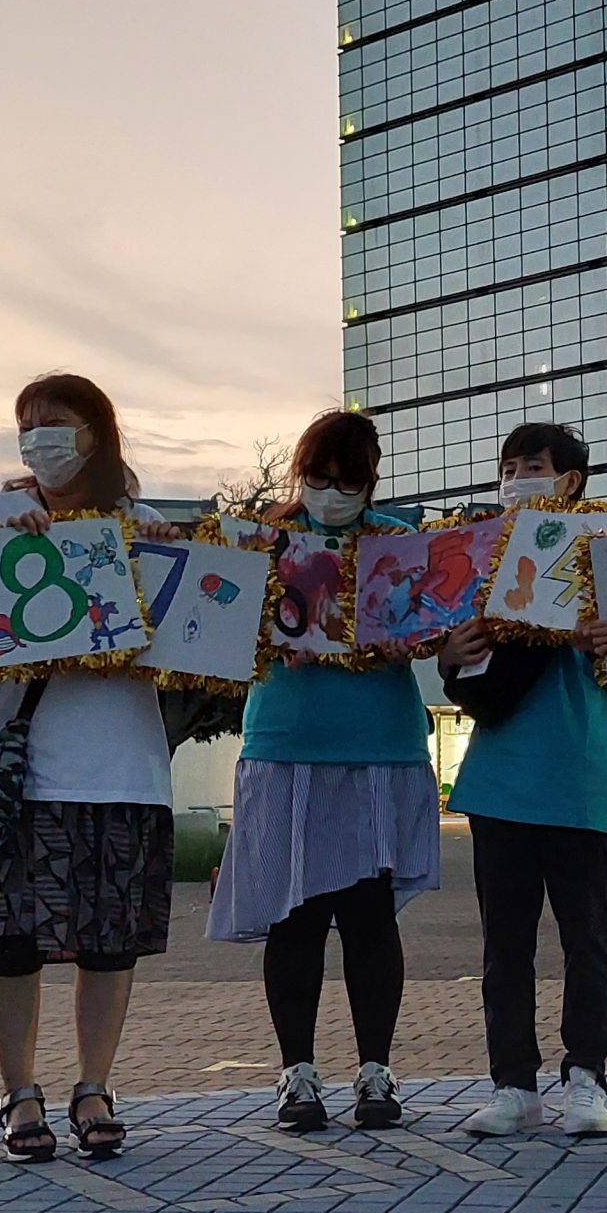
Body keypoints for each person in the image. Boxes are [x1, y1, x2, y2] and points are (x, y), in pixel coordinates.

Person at [0, 375, 181, 1162]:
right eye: (27, 423)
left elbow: (188, 648)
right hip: (23, 769)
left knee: (108, 946)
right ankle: (18, 1094)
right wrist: (4, 544)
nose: (39, 435)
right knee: (9, 942)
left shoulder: (145, 529)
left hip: (124, 767)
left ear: (96, 432)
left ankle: (94, 1087)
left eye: (56, 421)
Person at [207, 410, 439, 1134]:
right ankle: (297, 1074)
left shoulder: (400, 544)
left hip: (379, 743)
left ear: (372, 479)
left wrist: (410, 639)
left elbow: (430, 626)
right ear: (298, 473)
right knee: (295, 914)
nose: (332, 492)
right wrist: (273, 644)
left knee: (370, 917)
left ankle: (376, 1070)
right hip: (286, 742)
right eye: (319, 477)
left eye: (349, 480)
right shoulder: (262, 542)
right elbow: (217, 630)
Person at [437, 424, 607, 1140]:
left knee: (587, 939)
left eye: (534, 466)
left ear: (571, 480)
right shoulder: (481, 557)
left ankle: (588, 1080)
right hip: (499, 780)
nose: (517, 477)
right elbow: (460, 667)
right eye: (509, 466)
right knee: (505, 945)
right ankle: (514, 1085)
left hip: (579, 773)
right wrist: (450, 655)